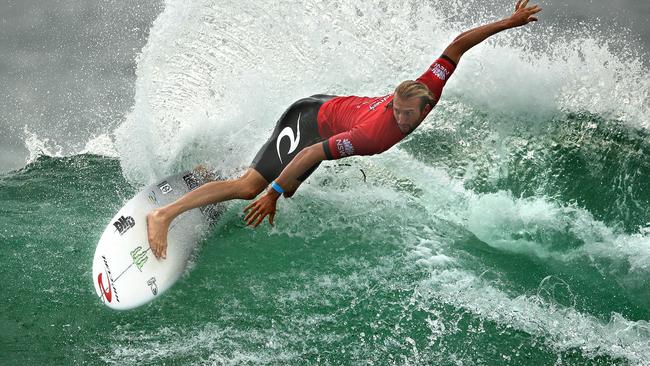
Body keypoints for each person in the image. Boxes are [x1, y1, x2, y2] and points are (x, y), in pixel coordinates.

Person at [147, 0, 542, 259]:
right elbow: (310, 153)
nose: (402, 119)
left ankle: (208, 178)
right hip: (307, 122)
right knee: (253, 187)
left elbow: (457, 45)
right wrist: (273, 193)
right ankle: (166, 215)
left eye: (408, 114)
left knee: (285, 182)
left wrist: (509, 22)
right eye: (397, 111)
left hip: (326, 112)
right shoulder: (375, 134)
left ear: (425, 104)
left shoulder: (430, 86)